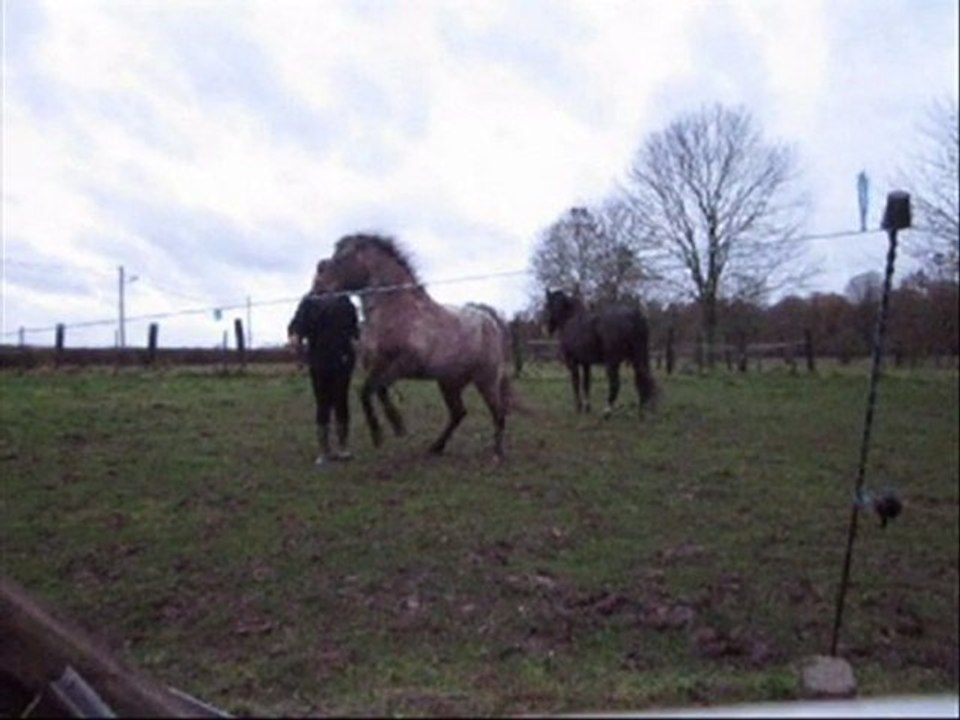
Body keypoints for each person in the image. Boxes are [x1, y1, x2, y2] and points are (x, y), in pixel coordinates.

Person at [287, 260, 359, 466]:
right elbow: (297, 326)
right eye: (323, 273)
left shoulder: (344, 302)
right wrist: (295, 340)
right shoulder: (309, 302)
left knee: (341, 402)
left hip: (343, 360)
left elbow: (354, 332)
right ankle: (324, 451)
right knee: (323, 404)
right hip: (319, 360)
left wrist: (361, 349)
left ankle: (343, 447)